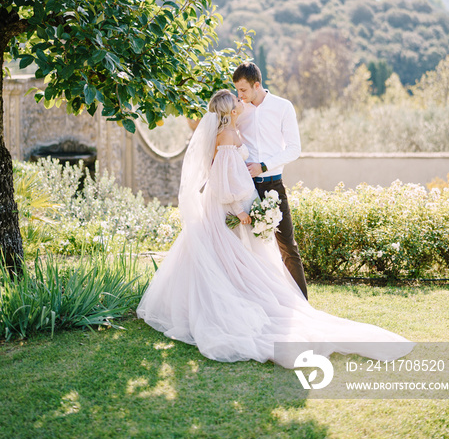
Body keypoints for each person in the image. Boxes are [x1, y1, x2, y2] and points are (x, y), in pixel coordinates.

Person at [137, 89, 414, 367]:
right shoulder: (228, 137)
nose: (240, 100)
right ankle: (227, 308)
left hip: (235, 203)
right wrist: (239, 211)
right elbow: (221, 180)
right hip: (229, 208)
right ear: (231, 112)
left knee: (229, 262)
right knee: (227, 261)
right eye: (236, 100)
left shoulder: (233, 131)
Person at [233, 62, 308, 298]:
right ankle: (251, 302)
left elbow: (294, 149)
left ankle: (302, 303)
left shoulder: (283, 107)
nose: (240, 95)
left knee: (287, 246)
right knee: (245, 247)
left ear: (257, 85)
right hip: (246, 188)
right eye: (237, 90)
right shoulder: (239, 110)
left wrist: (263, 166)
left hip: (274, 186)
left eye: (243, 90)